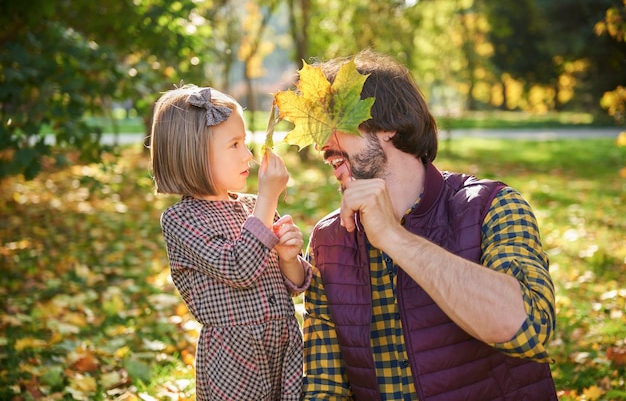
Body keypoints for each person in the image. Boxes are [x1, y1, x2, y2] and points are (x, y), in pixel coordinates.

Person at [300, 50, 557, 400]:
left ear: (387, 125)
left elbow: (528, 330)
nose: (322, 144)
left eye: (336, 123)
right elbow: (325, 387)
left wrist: (394, 237)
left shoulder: (491, 207)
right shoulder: (328, 240)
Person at [150, 85, 312, 400]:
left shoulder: (254, 206)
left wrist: (289, 259)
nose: (248, 155)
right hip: (235, 356)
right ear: (193, 153)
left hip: (283, 342)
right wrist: (268, 197)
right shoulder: (181, 220)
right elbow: (239, 268)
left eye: (245, 143)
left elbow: (292, 285)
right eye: (234, 145)